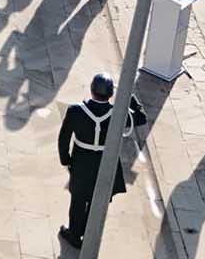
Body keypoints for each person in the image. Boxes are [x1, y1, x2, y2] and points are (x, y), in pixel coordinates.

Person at [57, 73, 147, 251]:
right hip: (105, 162)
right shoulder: (119, 114)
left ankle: (75, 234)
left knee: (78, 200)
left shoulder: (75, 111)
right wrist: (129, 95)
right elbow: (141, 117)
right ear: (110, 94)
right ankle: (90, 232)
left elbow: (64, 137)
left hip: (82, 161)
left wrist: (65, 159)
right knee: (96, 200)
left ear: (91, 90)